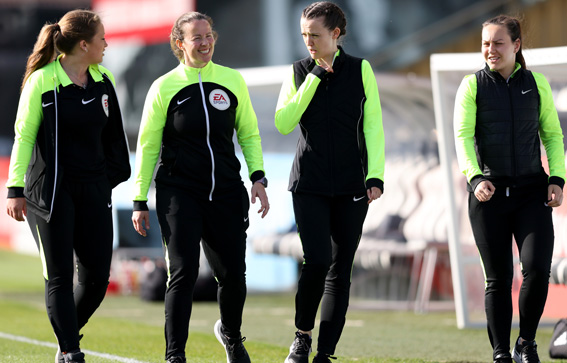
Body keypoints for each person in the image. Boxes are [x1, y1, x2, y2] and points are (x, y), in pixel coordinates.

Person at [131, 11, 269, 363]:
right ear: (180, 44)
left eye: (209, 35)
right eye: (197, 37)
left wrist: (258, 177)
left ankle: (232, 336)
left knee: (234, 277)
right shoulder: (163, 87)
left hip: (225, 193)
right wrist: (139, 197)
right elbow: (148, 146)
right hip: (179, 193)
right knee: (183, 272)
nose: (205, 42)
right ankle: (175, 354)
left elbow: (249, 133)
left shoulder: (232, 80)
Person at [5, 9, 130, 363]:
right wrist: (15, 190)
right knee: (58, 276)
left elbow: (114, 134)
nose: (107, 44)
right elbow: (23, 136)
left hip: (94, 190)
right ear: (84, 44)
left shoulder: (103, 78)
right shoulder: (42, 81)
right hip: (50, 193)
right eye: (102, 39)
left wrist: (112, 177)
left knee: (96, 279)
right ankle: (72, 353)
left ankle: (65, 338)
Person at [274, 2, 384, 362]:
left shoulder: (360, 69)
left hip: (353, 185)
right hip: (309, 183)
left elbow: (373, 126)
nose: (308, 41)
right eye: (304, 34)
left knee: (341, 269)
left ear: (335, 34)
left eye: (315, 35)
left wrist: (375, 175)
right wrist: (313, 79)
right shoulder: (298, 71)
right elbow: (284, 122)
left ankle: (325, 353)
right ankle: (302, 336)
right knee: (318, 261)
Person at [454, 14, 566, 363]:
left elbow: (551, 135)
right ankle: (501, 353)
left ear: (516, 46)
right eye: (486, 43)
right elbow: (462, 137)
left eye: (498, 42)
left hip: (531, 194)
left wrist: (556, 179)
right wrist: (475, 178)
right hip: (488, 198)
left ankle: (526, 343)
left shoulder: (537, 84)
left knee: (536, 269)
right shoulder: (472, 86)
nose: (490, 49)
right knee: (499, 279)